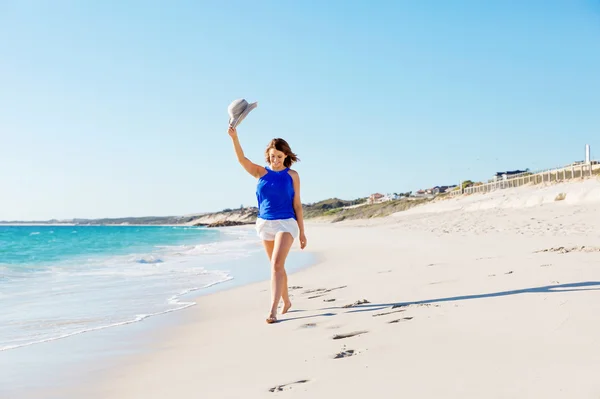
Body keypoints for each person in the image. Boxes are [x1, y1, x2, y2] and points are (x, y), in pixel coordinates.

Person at [228, 126, 307, 324]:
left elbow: (297, 204)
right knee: (277, 266)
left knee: (276, 264)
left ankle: (272, 310)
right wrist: (234, 137)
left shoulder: (292, 175)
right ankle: (286, 301)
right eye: (272, 156)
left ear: (285, 155)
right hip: (265, 223)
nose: (276, 160)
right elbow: (241, 159)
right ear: (268, 155)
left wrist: (303, 232)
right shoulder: (260, 173)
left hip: (286, 223)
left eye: (279, 156)